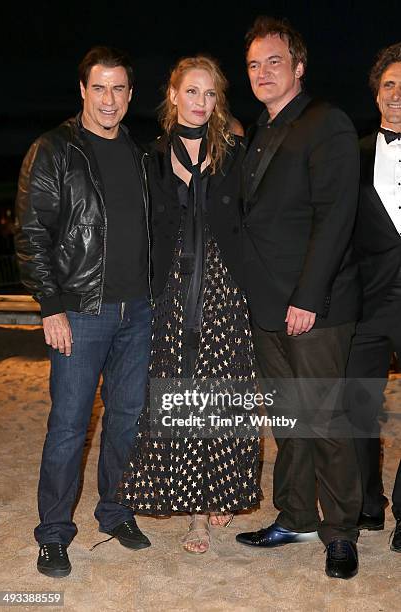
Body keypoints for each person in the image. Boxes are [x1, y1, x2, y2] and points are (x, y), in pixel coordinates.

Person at [14, 46, 152, 578]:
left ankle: (115, 511)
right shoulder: (53, 149)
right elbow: (30, 235)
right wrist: (51, 306)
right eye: (100, 88)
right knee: (69, 427)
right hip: (80, 314)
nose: (110, 99)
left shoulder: (139, 155)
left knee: (125, 420)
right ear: (82, 91)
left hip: (136, 313)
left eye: (119, 88)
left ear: (130, 94)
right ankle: (53, 534)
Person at [235, 16, 362, 579]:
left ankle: (340, 533)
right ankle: (294, 515)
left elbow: (336, 218)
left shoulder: (326, 123)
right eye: (255, 64)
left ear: (299, 68)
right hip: (269, 308)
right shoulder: (261, 129)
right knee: (288, 421)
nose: (263, 72)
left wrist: (308, 297)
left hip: (316, 308)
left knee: (326, 421)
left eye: (274, 62)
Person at [117, 55, 261, 554]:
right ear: (173, 95)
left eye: (210, 94)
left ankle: (216, 495)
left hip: (224, 292)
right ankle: (195, 516)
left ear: (218, 101)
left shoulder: (237, 153)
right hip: (172, 295)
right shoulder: (150, 158)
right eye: (191, 92)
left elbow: (258, 220)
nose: (200, 102)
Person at [346, 42, 401, 553]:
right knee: (358, 408)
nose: (397, 94)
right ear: (376, 93)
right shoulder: (355, 153)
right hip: (366, 304)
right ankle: (368, 502)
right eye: (388, 85)